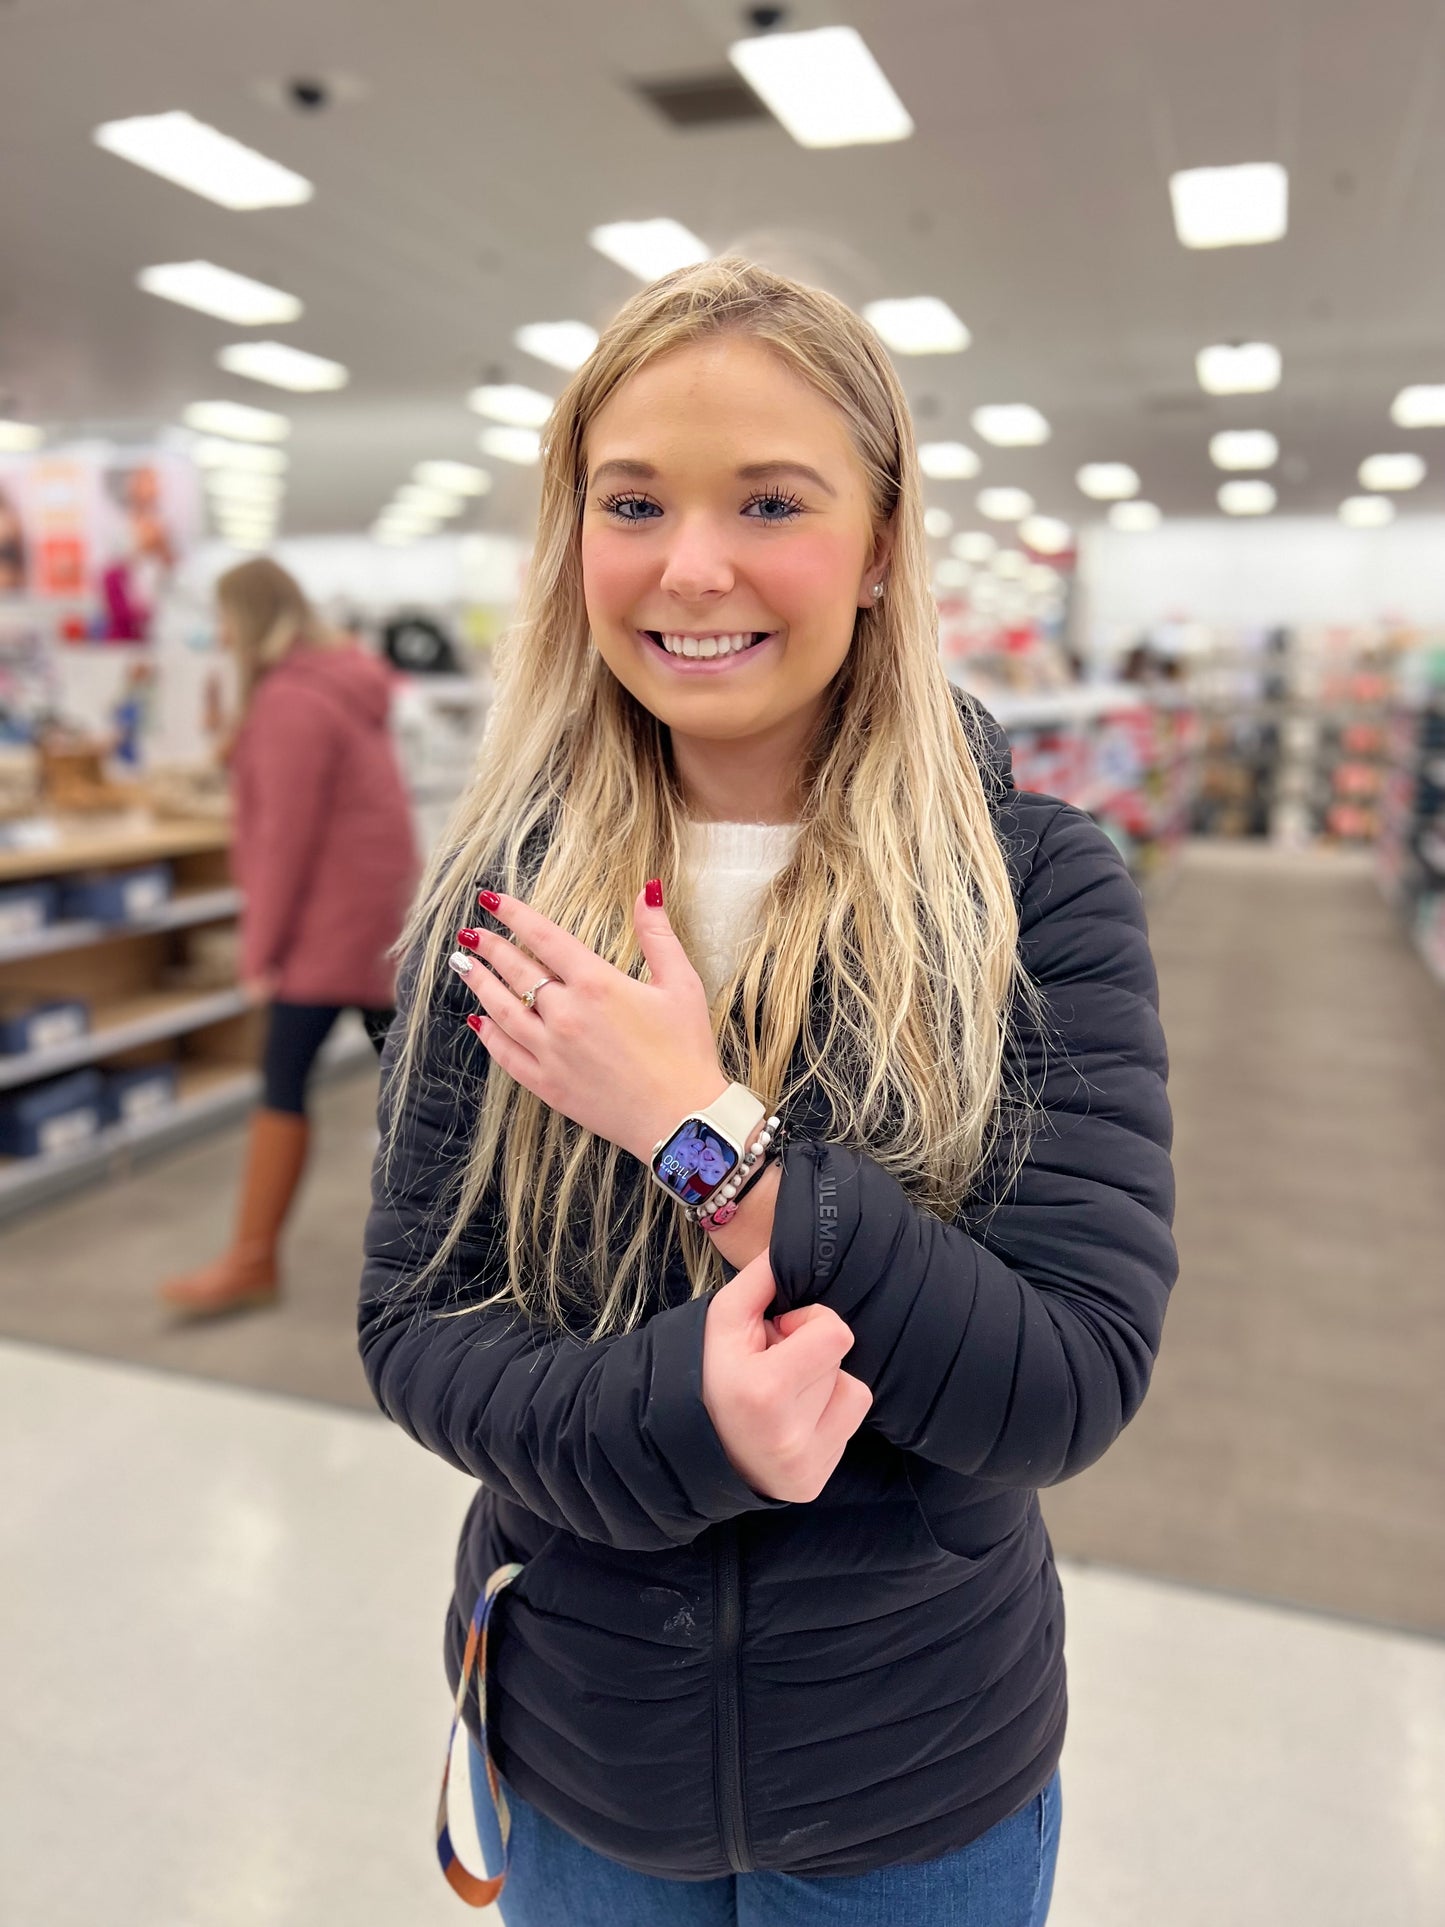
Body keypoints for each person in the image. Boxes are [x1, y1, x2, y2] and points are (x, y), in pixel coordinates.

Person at [358, 259, 1177, 1925]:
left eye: (773, 501)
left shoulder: (1035, 892)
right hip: (585, 1761)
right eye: (634, 501)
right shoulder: (501, 906)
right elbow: (417, 1327)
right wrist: (691, 1423)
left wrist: (713, 1142)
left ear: (881, 547)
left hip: (914, 1778)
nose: (692, 566)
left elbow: (1066, 1381)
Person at [162, 557, 416, 1317]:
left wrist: (259, 953)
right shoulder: (337, 683)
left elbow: (282, 841)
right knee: (417, 1084)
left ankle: (251, 1258)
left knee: (288, 1076)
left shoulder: (289, 702)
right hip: (376, 913)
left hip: (328, 925)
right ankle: (474, 1246)